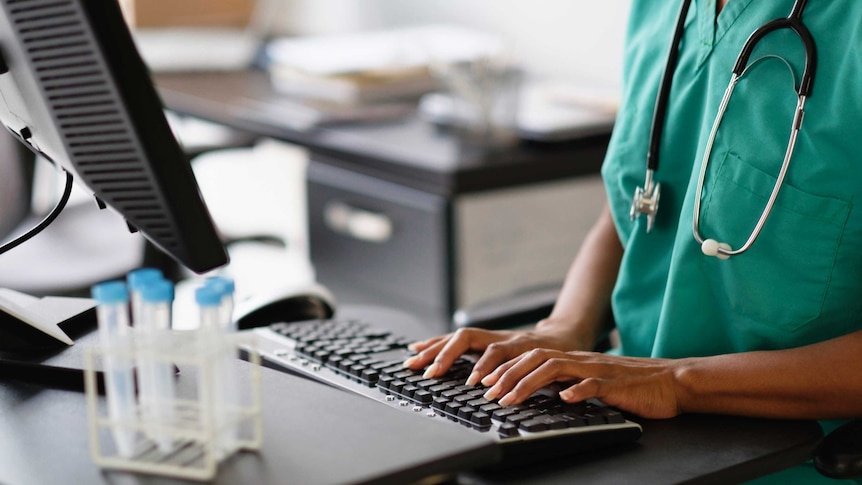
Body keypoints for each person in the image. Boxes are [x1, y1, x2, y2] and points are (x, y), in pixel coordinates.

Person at [404, 1, 862, 482]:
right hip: (623, 428)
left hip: (792, 460)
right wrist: (565, 327)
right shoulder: (662, 10)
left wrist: (677, 381)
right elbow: (639, 202)